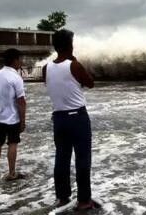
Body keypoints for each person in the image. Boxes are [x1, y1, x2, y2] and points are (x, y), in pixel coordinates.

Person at [43, 29, 96, 210]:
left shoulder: (46, 68)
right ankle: (83, 200)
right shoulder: (74, 65)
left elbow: (56, 84)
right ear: (69, 45)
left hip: (59, 119)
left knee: (62, 158)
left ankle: (63, 197)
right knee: (82, 159)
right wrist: (75, 62)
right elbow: (90, 83)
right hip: (77, 118)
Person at [0, 48, 26, 180]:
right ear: (15, 60)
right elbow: (21, 101)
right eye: (19, 59)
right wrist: (23, 120)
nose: (21, 62)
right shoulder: (16, 77)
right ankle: (11, 173)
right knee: (12, 144)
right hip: (12, 118)